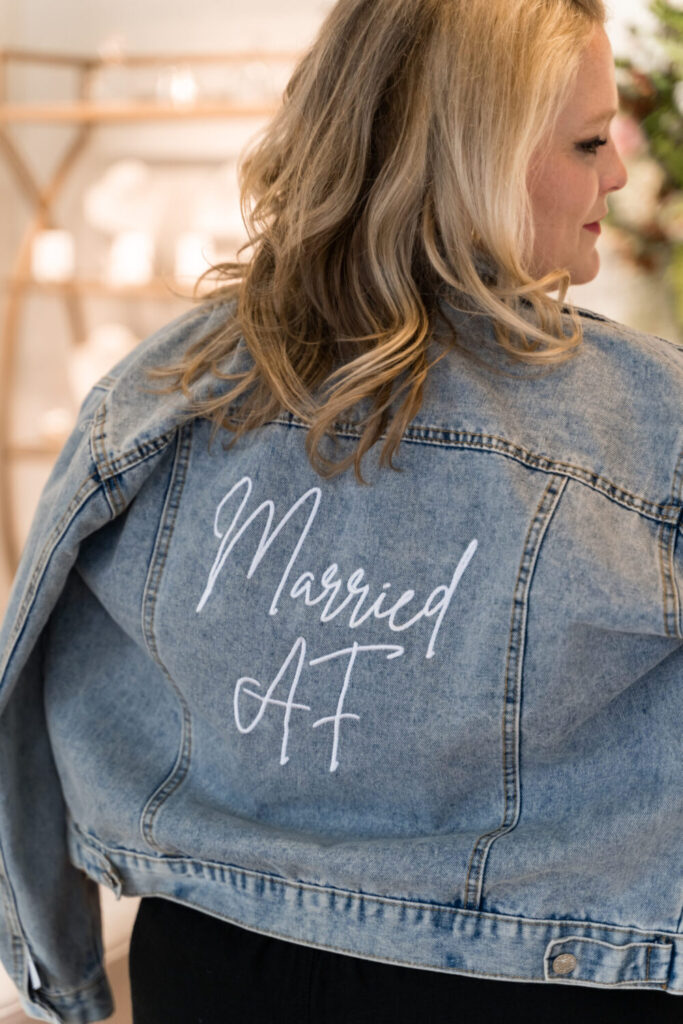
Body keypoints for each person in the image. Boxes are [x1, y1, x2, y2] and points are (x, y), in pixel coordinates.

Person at [0, 0, 681, 1021]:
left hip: (216, 968)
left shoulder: (164, 394)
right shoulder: (654, 424)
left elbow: (27, 688)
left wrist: (63, 975)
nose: (618, 174)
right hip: (558, 976)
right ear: (476, 161)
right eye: (587, 142)